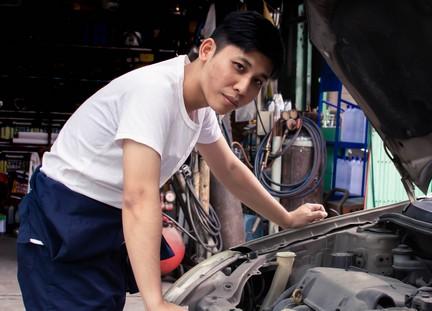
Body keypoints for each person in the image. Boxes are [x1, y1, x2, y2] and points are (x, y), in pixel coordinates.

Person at [17, 11, 327, 311]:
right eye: (239, 66)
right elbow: (138, 197)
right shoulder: (154, 93)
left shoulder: (201, 107)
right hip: (62, 216)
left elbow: (230, 168)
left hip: (105, 224)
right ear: (207, 49)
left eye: (257, 81)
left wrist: (286, 219)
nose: (243, 87)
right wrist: (155, 302)